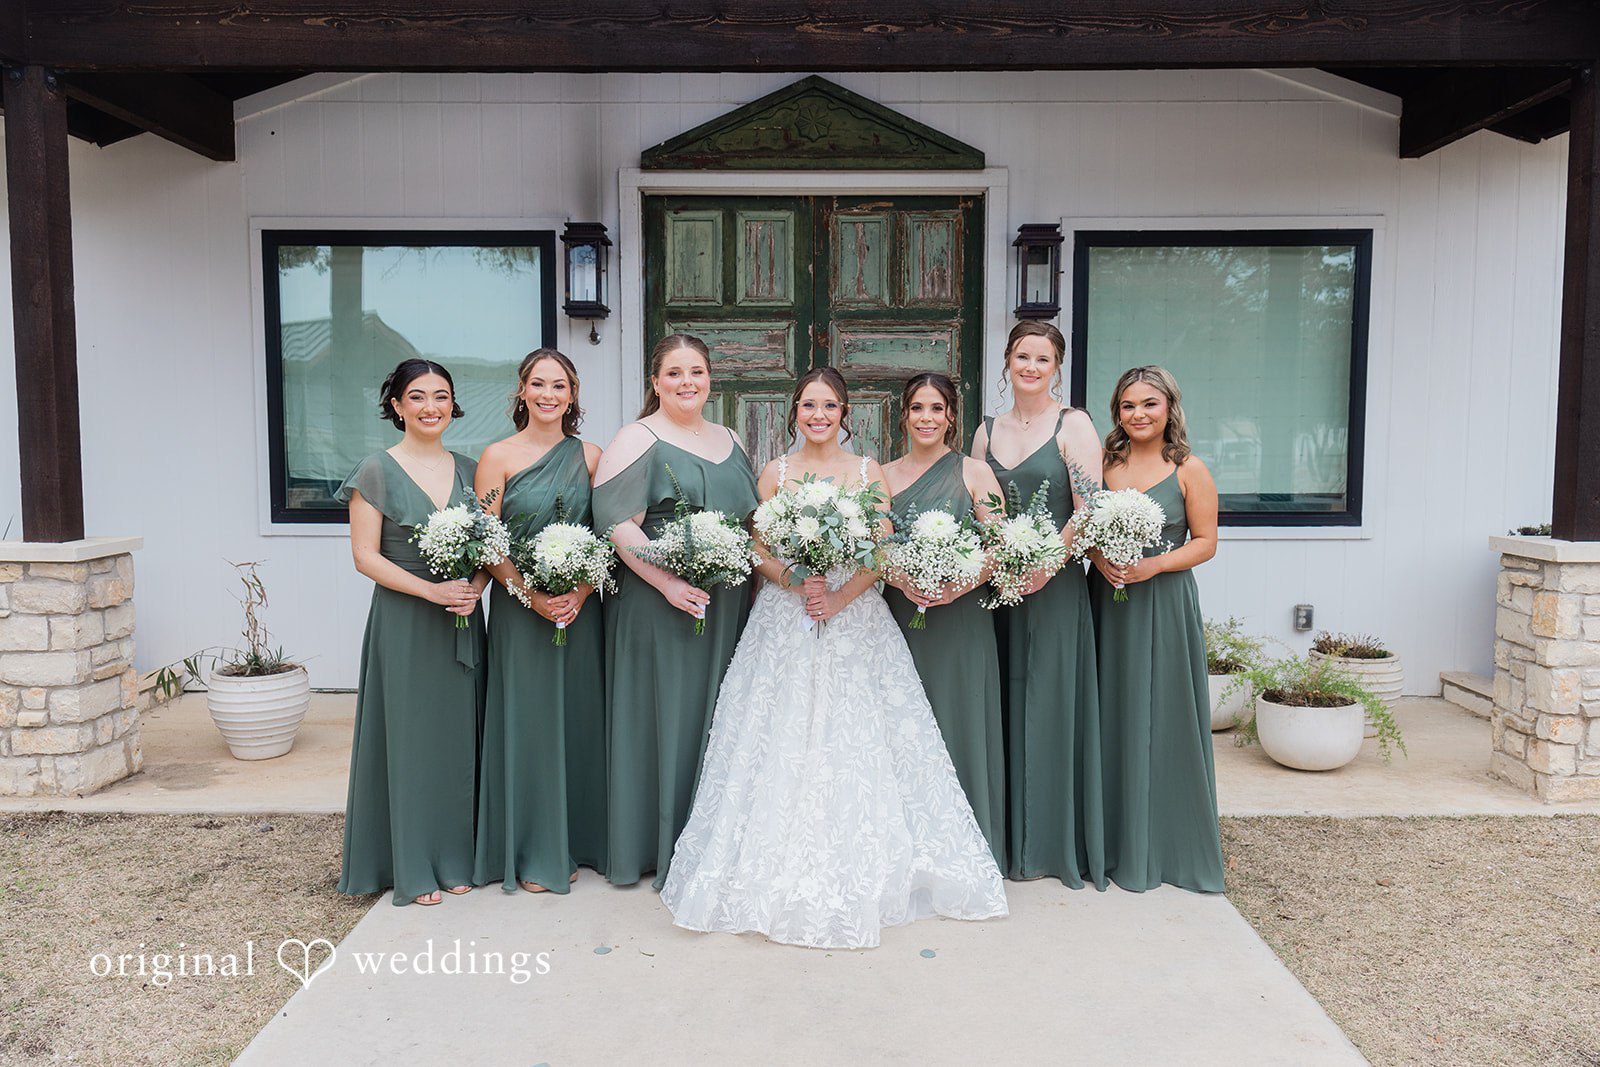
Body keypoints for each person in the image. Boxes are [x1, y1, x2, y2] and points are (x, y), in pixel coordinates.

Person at [661, 367, 1007, 949]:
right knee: (778, 733)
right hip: (785, 618)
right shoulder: (776, 472)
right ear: (794, 413)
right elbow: (754, 546)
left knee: (859, 737)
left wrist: (840, 596)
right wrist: (795, 578)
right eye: (807, 406)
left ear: (845, 415)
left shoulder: (870, 474)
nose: (818, 416)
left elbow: (881, 549)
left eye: (828, 407)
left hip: (854, 620)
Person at [591, 334, 760, 888]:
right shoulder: (637, 438)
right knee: (668, 718)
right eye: (675, 373)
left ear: (710, 378)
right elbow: (616, 523)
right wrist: (665, 583)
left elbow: (752, 520)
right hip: (660, 605)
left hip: (727, 604)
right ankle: (656, 846)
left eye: (697, 372)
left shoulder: (730, 438)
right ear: (655, 382)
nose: (688, 382)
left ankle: (711, 843)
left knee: (719, 719)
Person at [335, 358, 486, 907]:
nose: (431, 407)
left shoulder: (474, 470)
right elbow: (363, 557)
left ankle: (457, 856)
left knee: (458, 738)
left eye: (441, 396)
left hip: (463, 618)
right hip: (405, 620)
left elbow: (489, 548)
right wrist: (431, 592)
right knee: (411, 739)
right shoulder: (375, 470)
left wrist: (471, 588)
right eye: (417, 397)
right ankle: (414, 863)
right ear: (397, 406)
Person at [972, 321, 1106, 888]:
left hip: (1053, 587)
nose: (1031, 366)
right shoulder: (984, 430)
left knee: (1050, 702)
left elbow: (1090, 505)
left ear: (1056, 367)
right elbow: (975, 505)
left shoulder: (1072, 424)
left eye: (1042, 358)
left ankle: (1051, 844)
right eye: (1022, 356)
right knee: (999, 700)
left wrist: (1045, 563)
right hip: (997, 586)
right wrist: (998, 564)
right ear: (1007, 362)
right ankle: (1001, 843)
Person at [473, 348, 607, 894]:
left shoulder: (593, 457)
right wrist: (527, 594)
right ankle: (531, 848)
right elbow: (486, 537)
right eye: (539, 384)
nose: (549, 395)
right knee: (526, 724)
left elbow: (608, 533)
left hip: (579, 610)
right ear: (521, 392)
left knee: (578, 721)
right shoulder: (496, 456)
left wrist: (577, 590)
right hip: (519, 611)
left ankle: (581, 841)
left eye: (560, 386)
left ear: (572, 396)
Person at [1089, 365, 1225, 893]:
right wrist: (1101, 558)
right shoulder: (1106, 462)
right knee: (1112, 710)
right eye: (1128, 406)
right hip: (1108, 599)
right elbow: (1083, 521)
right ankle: (1112, 839)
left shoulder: (1189, 468)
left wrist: (1153, 565)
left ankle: (1168, 842)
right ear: (1116, 413)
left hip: (1164, 600)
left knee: (1163, 712)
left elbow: (1206, 542)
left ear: (1170, 406)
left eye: (1149, 403)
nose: (1138, 414)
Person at [882, 372, 1007, 866]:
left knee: (958, 718)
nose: (927, 418)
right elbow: (874, 543)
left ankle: (968, 851)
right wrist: (901, 579)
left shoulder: (975, 473)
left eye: (937, 408)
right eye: (917, 409)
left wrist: (954, 585)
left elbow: (999, 546)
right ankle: (906, 852)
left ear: (952, 415)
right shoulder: (883, 476)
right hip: (898, 615)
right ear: (904, 416)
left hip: (961, 619)